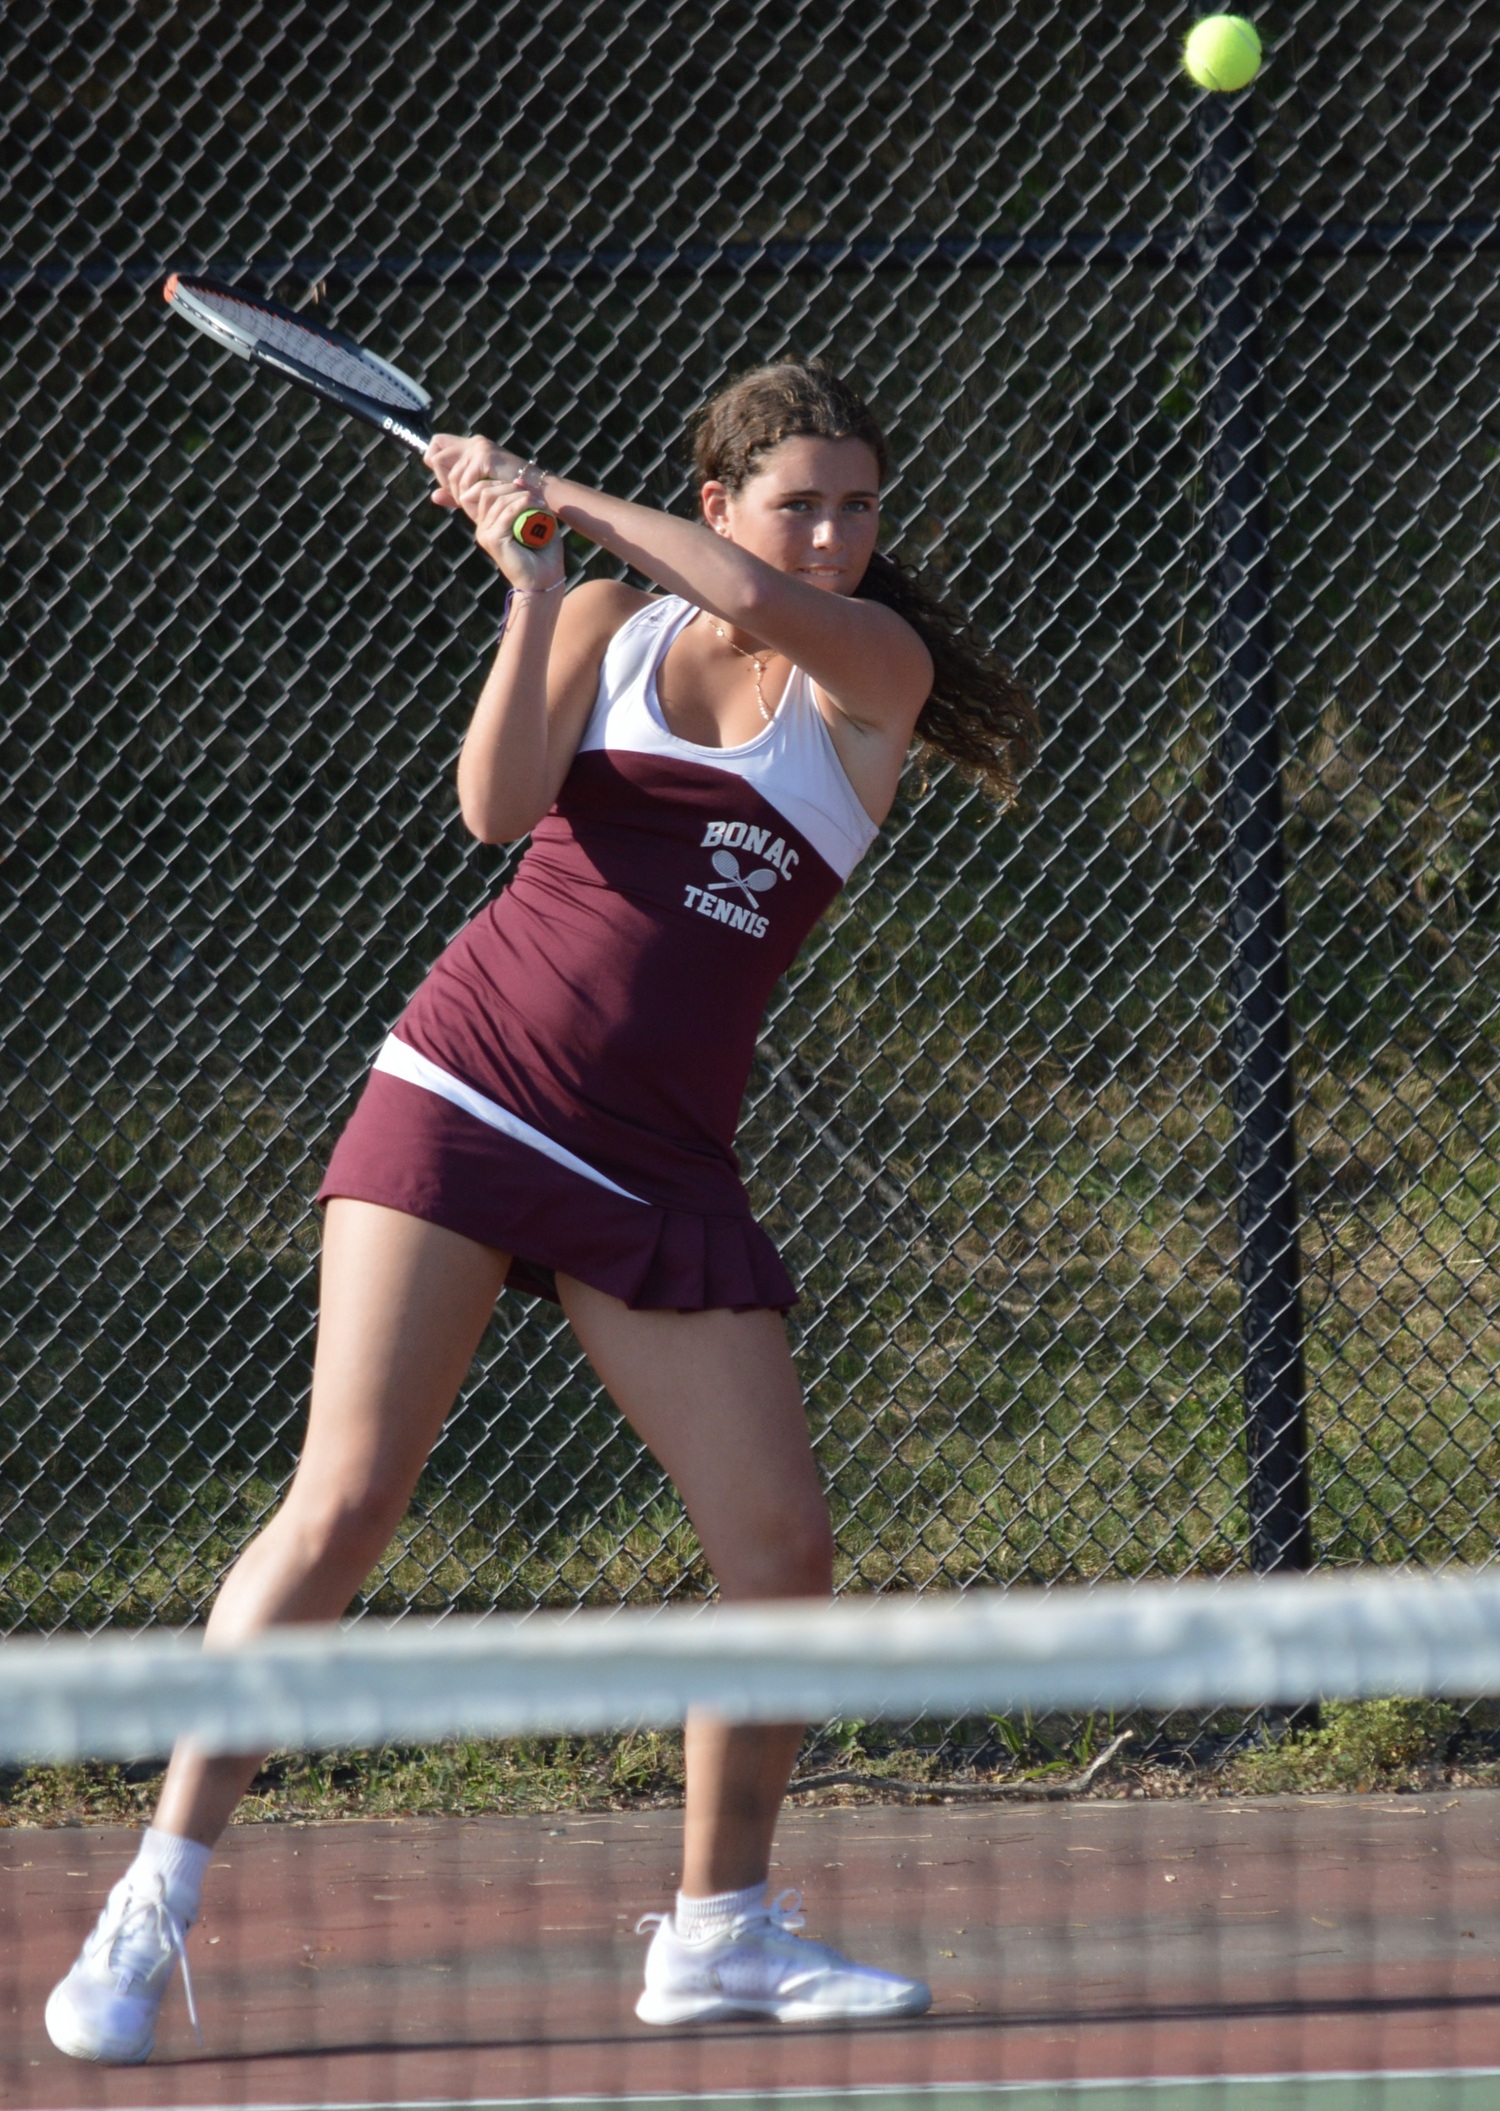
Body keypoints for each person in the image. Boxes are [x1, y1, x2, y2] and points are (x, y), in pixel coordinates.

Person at [45, 360, 1037, 2062]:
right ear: (718, 497)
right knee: (347, 1498)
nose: (834, 533)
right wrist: (533, 588)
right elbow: (492, 812)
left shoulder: (872, 676)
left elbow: (741, 598)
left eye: (860, 504)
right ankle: (155, 1895)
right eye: (798, 500)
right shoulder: (606, 627)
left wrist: (567, 501)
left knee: (782, 1553)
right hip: (464, 1087)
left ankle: (718, 1934)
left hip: (655, 1157)